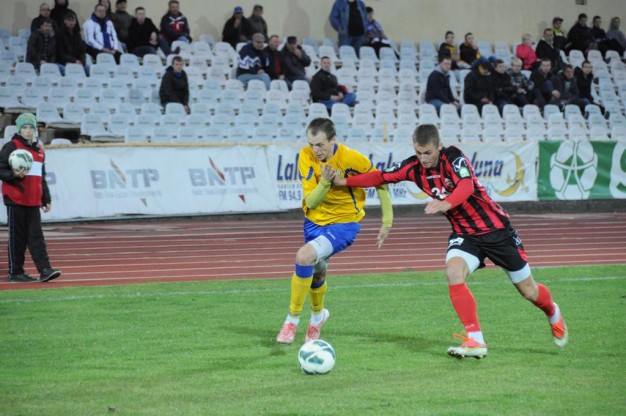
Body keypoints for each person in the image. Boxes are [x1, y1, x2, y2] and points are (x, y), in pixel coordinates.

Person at [335, 123, 568, 358]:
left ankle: (552, 312)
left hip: (496, 231)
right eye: (418, 152)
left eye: (428, 152)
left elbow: (466, 186)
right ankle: (475, 340)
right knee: (454, 272)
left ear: (439, 147)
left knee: (529, 291)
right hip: (464, 234)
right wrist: (343, 182)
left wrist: (446, 203)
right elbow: (379, 176)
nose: (423, 158)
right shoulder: (412, 167)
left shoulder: (454, 158)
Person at [276, 117, 393, 344]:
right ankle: (317, 318)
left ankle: (292, 321)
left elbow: (380, 181)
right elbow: (311, 202)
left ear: (333, 140)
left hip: (344, 224)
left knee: (304, 256)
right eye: (312, 144)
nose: (316, 150)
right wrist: (325, 182)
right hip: (314, 222)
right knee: (317, 272)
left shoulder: (351, 158)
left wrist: (387, 221)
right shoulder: (306, 156)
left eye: (320, 144)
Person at [0, 113, 62, 283]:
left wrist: (46, 198)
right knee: (17, 238)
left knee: (36, 237)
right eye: (25, 128)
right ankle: (15, 272)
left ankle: (45, 270)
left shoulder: (39, 150)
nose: (28, 131)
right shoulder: (11, 146)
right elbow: (1, 169)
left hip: (33, 200)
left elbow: (41, 177)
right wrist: (13, 175)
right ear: (19, 129)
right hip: (16, 199)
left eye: (31, 128)